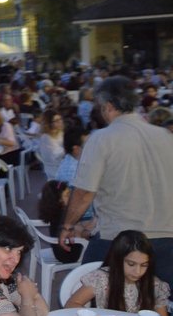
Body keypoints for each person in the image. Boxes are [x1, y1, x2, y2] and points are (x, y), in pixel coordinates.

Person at [58, 76, 173, 293]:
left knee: (85, 294)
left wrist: (67, 226)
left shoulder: (101, 138)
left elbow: (84, 193)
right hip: (167, 236)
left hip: (118, 238)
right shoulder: (165, 136)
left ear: (108, 106)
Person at [65, 230, 170, 316]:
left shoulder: (154, 285)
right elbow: (71, 304)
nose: (138, 271)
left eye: (144, 265)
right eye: (131, 264)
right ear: (118, 260)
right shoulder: (102, 279)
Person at [38, 180, 88, 263]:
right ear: (59, 200)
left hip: (58, 251)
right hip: (70, 255)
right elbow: (81, 233)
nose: (71, 196)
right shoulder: (66, 217)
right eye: (67, 195)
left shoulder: (54, 212)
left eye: (70, 193)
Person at [38, 109, 65, 179]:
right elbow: (54, 156)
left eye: (60, 119)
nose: (60, 122)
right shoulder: (46, 138)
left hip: (62, 165)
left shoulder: (60, 133)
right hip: (55, 170)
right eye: (56, 121)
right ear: (49, 123)